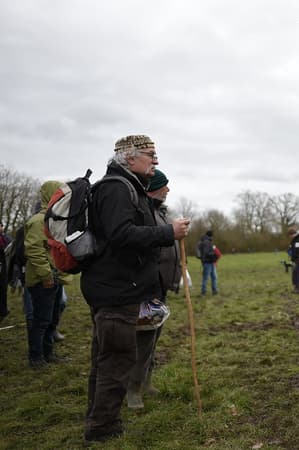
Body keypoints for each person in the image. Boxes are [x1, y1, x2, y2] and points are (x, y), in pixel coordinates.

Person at [81, 135, 190, 443]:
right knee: (115, 362)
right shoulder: (117, 189)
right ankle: (102, 429)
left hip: (117, 289)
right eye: (150, 154)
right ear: (129, 158)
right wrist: (168, 232)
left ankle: (98, 419)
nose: (155, 160)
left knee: (105, 361)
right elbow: (120, 234)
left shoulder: (126, 187)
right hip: (117, 293)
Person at [126, 169, 181, 409]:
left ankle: (146, 381)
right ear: (153, 188)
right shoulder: (145, 213)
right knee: (143, 338)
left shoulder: (159, 213)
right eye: (164, 186)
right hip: (146, 288)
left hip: (161, 288)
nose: (168, 190)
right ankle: (132, 390)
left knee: (153, 338)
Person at [24, 181, 71, 368]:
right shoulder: (38, 221)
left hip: (54, 278)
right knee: (41, 320)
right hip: (42, 280)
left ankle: (48, 353)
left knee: (52, 319)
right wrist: (46, 276)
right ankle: (36, 358)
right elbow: (34, 250)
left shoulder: (54, 219)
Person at [197, 230, 219, 295]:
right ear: (210, 236)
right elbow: (206, 253)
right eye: (212, 236)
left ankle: (214, 291)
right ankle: (203, 292)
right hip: (207, 262)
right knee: (206, 278)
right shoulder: (206, 242)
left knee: (214, 277)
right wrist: (214, 254)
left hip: (211, 262)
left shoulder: (208, 241)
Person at [0, 222, 11, 321]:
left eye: (1, 226)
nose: (1, 228)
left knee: (3, 289)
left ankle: (3, 310)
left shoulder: (5, 237)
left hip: (3, 266)